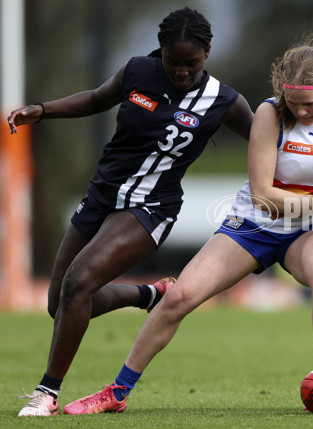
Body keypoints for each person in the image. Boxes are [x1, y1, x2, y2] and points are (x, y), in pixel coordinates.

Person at [60, 29, 313, 415]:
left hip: (310, 230)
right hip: (254, 223)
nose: (302, 113)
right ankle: (117, 391)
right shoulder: (269, 114)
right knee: (179, 297)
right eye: (294, 103)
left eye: (309, 104)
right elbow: (264, 198)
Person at [12, 7, 254, 417]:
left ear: (207, 54)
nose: (180, 71)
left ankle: (45, 394)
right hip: (101, 196)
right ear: (160, 52)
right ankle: (150, 294)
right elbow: (94, 99)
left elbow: (264, 139)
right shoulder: (137, 72)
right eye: (172, 61)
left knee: (79, 282)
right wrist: (42, 109)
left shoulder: (225, 101)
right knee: (61, 302)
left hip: (150, 207)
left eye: (190, 64)